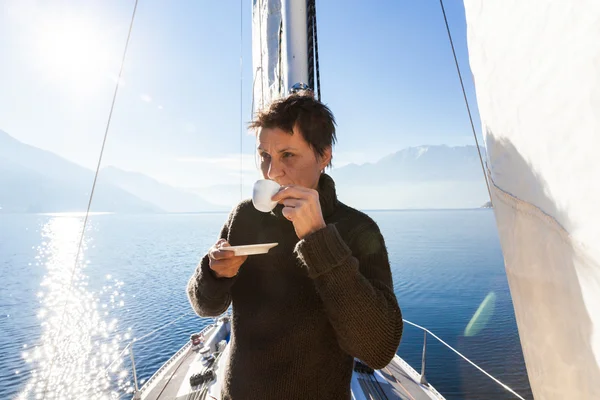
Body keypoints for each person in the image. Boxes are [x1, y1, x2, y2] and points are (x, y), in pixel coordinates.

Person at [187, 91, 403, 399]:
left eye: (287, 155)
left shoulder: (358, 230)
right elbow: (205, 305)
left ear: (324, 155)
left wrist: (319, 238)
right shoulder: (244, 216)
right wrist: (215, 273)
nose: (272, 172)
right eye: (264, 156)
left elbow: (378, 348)